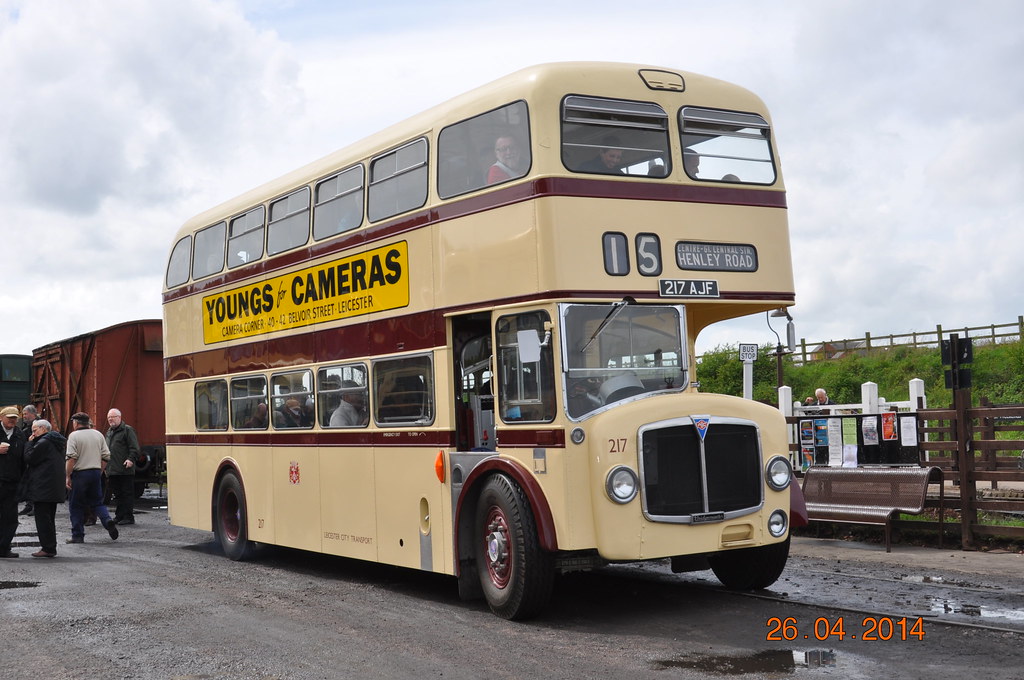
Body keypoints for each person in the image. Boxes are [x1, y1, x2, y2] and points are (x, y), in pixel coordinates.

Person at [65, 412, 118, 543]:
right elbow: (106, 455)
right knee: (97, 502)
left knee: (76, 505)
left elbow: (71, 457)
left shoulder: (74, 436)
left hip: (80, 474)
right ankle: (107, 520)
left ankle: (77, 535)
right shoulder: (98, 434)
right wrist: (99, 470)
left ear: (76, 423)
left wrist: (67, 475)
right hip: (95, 472)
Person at [23, 419, 66, 558]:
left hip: (43, 486)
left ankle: (47, 548)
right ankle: (50, 547)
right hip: (53, 486)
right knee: (49, 518)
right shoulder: (56, 441)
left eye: (35, 430)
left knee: (42, 519)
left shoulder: (43, 442)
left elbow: (29, 458)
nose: (33, 433)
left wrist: (29, 443)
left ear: (43, 428)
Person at [105, 408, 140, 526]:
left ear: (119, 417)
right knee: (118, 494)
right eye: (109, 417)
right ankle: (119, 516)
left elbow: (134, 448)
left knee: (127, 494)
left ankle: (128, 517)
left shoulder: (127, 430)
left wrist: (130, 459)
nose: (110, 419)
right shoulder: (109, 432)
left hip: (125, 469)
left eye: (113, 417)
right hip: (113, 469)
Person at [0, 406, 26, 557]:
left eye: (15, 417)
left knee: (10, 518)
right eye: (9, 417)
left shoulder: (20, 435)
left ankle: (4, 548)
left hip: (12, 482)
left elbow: (24, 460)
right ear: (1, 417)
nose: (12, 420)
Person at [17, 405, 37, 517]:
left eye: (26, 414)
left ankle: (34, 506)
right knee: (28, 482)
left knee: (34, 483)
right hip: (28, 457)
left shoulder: (37, 425)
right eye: (23, 414)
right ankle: (29, 505)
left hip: (34, 457)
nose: (24, 416)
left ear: (32, 414)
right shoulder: (27, 426)